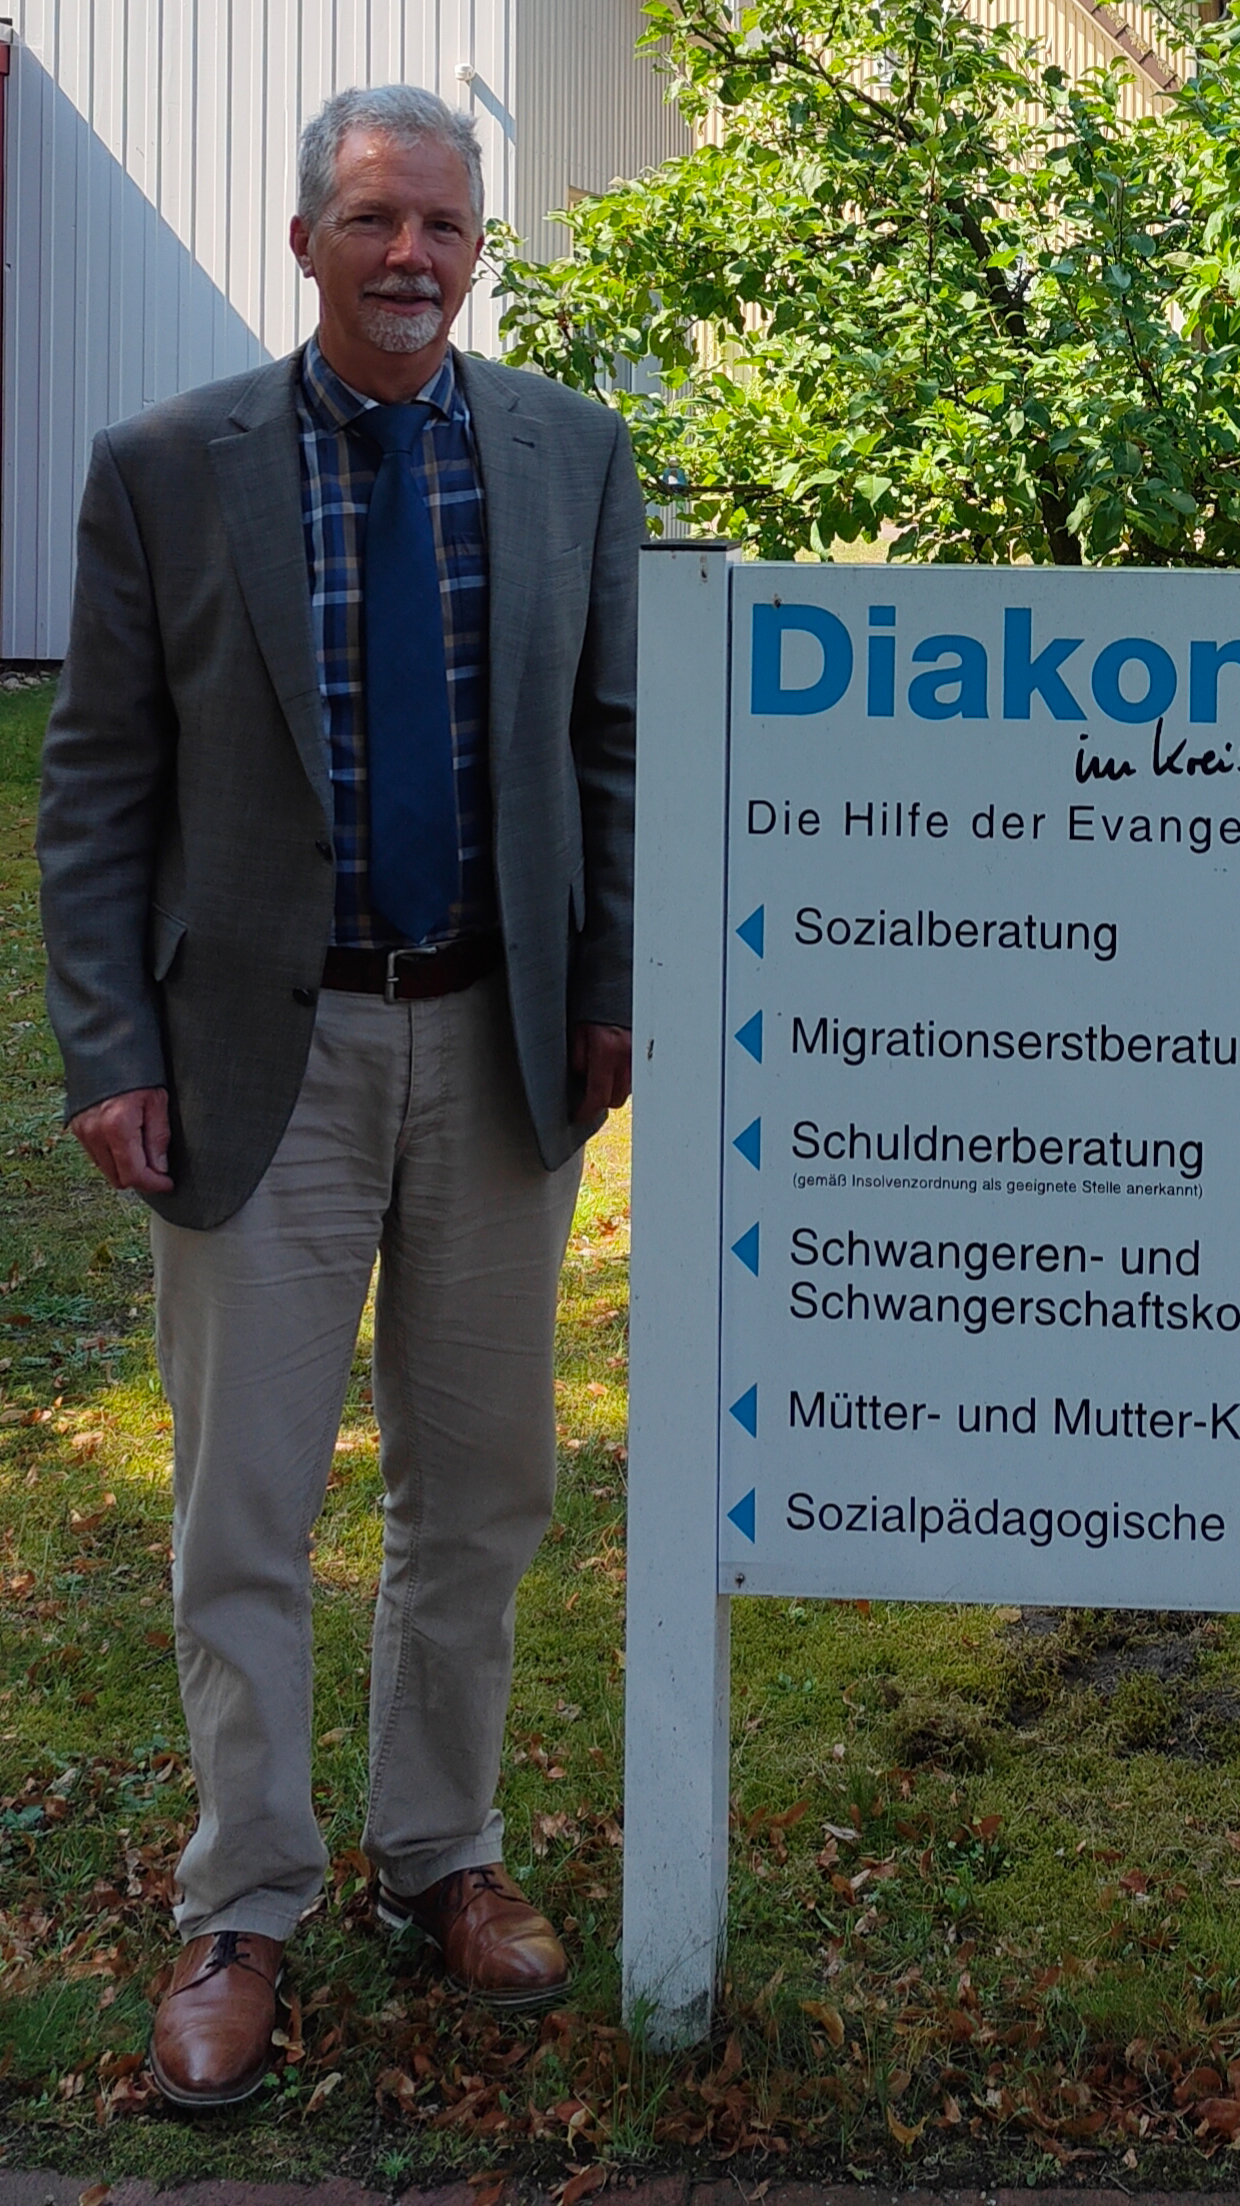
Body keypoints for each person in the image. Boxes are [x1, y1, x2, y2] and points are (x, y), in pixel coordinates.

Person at [39, 85, 643, 2108]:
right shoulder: (167, 468)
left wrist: (611, 993)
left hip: (488, 1044)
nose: (412, 257)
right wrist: (110, 1043)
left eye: (444, 228)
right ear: (307, 240)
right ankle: (243, 1895)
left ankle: (441, 1853)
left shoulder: (571, 456)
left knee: (479, 1494)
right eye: (376, 220)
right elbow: (101, 782)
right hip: (257, 1063)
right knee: (246, 1510)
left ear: (478, 254)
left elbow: (613, 752)